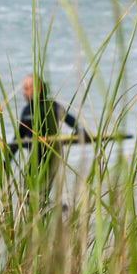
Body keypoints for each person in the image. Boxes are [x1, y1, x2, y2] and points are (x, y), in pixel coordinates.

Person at [9, 73, 89, 205]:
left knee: (40, 195)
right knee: (28, 196)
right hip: (34, 157)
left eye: (28, 88)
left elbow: (71, 121)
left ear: (39, 88)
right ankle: (60, 211)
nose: (24, 92)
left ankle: (60, 212)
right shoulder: (26, 111)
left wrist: (82, 133)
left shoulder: (50, 106)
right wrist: (8, 156)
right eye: (24, 89)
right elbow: (19, 137)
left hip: (51, 156)